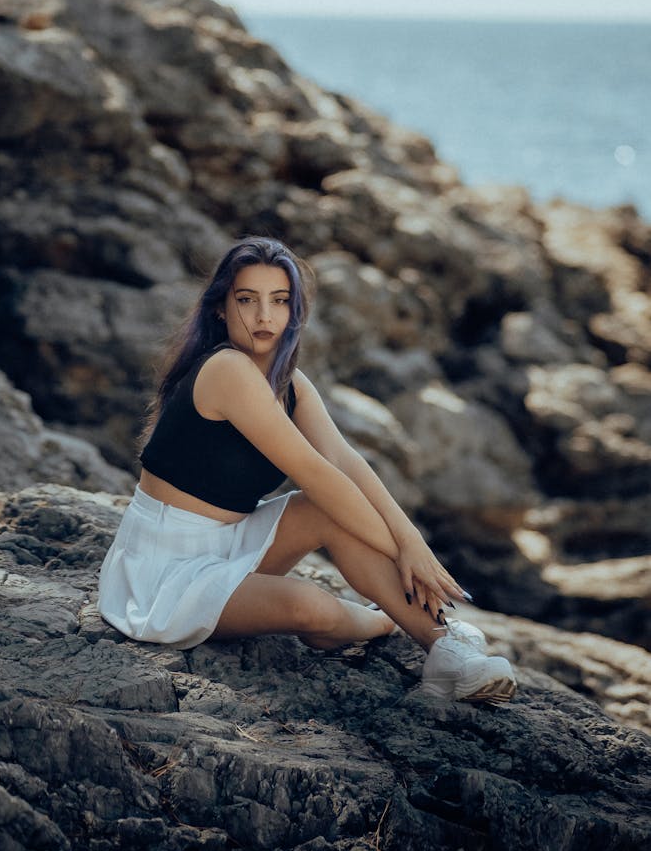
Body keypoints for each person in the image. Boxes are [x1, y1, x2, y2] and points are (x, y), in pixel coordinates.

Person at [98, 237, 516, 703]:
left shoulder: (289, 384)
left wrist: (413, 543)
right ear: (220, 308)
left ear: (294, 312)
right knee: (310, 606)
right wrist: (403, 556)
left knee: (321, 512)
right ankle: (386, 619)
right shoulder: (227, 369)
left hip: (229, 545)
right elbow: (315, 472)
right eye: (246, 300)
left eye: (279, 302)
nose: (264, 317)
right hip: (163, 572)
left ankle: (443, 648)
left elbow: (345, 462)